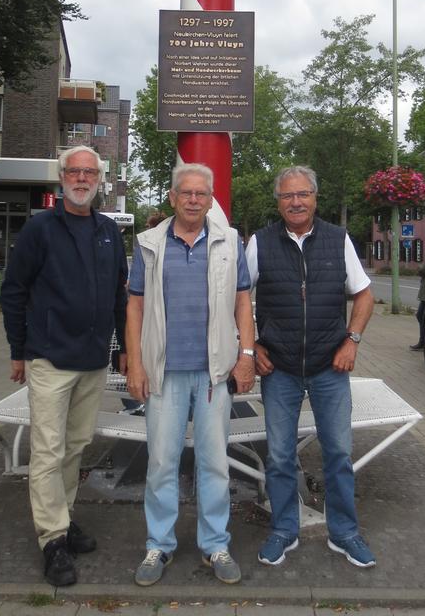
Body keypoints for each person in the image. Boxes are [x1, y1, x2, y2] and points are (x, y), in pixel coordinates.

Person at [0, 145, 128, 587]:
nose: (81, 178)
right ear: (61, 177)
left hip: (93, 362)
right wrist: (18, 349)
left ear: (99, 179)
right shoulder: (40, 229)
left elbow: (117, 297)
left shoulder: (109, 230)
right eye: (73, 170)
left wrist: (122, 348)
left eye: (89, 171)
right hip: (50, 359)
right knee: (49, 451)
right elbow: (13, 290)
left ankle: (64, 516)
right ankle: (52, 538)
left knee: (75, 447)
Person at [126, 163, 255, 586]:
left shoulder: (228, 242)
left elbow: (242, 302)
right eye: (187, 193)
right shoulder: (148, 243)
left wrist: (246, 355)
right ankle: (158, 544)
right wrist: (137, 363)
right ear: (173, 196)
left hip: (213, 374)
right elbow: (135, 307)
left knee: (215, 462)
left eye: (202, 194)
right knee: (161, 461)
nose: (195, 200)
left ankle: (215, 544)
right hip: (163, 372)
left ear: (210, 198)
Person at [245, 165, 376, 569]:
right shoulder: (259, 243)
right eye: (287, 196)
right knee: (281, 456)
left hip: (329, 367)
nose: (296, 202)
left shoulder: (338, 241)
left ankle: (345, 533)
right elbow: (236, 299)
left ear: (315, 198)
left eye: (302, 194)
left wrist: (352, 341)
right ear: (278, 202)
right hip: (279, 368)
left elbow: (365, 295)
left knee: (338, 452)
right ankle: (284, 530)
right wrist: (250, 348)